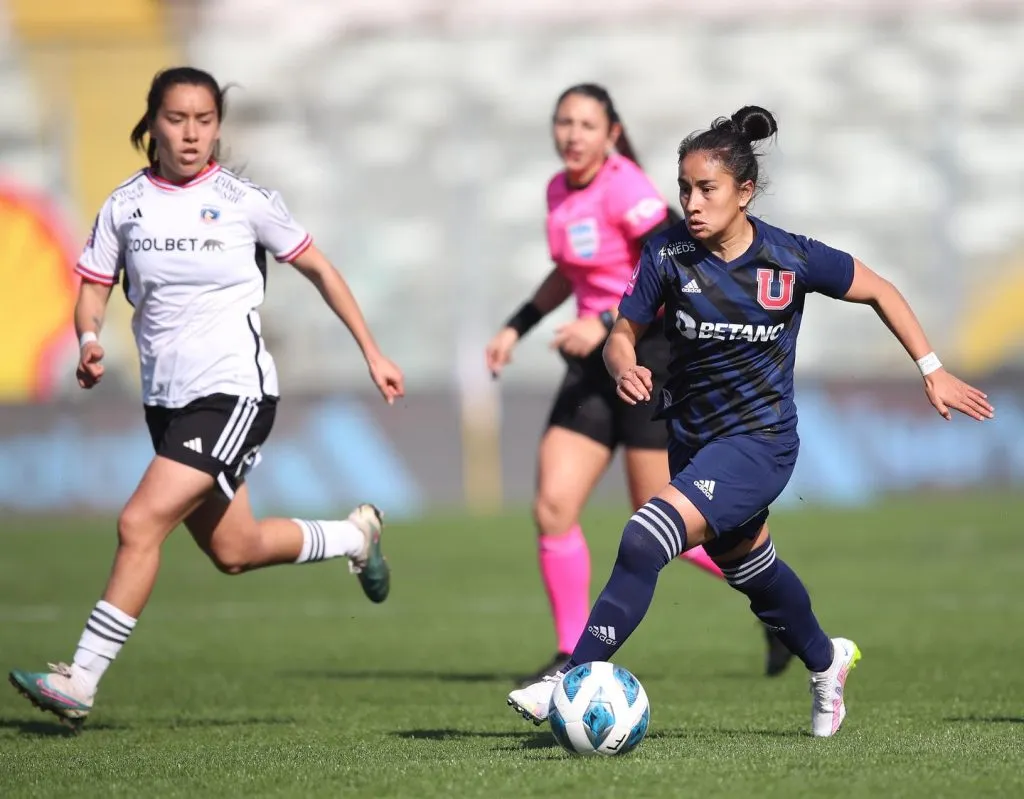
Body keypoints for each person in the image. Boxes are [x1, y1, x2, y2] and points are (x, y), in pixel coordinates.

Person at [507, 105, 994, 737]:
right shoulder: (667, 254)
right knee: (750, 569)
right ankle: (825, 660)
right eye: (684, 188)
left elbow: (880, 289)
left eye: (706, 189)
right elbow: (622, 333)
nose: (691, 202)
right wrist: (623, 364)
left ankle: (569, 676)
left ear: (744, 192)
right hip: (691, 440)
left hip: (761, 443)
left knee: (643, 537)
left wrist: (932, 368)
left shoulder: (789, 256)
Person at [8, 67, 406, 731]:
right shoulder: (124, 205)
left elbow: (318, 267)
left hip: (234, 393)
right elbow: (94, 287)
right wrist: (88, 339)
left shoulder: (245, 201)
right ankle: (353, 536)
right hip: (166, 403)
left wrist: (372, 350)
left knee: (139, 523)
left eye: (204, 120)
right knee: (235, 550)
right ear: (152, 124)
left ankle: (79, 679)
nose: (191, 133)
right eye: (177, 119)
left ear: (217, 127)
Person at [486, 84, 790, 688]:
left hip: (646, 356)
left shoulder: (627, 189)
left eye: (586, 124)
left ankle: (773, 601)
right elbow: (569, 270)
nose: (573, 135)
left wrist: (602, 322)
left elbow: (673, 261)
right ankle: (569, 653)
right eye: (564, 122)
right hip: (592, 364)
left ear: (612, 134)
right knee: (553, 506)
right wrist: (517, 324)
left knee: (663, 522)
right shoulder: (558, 190)